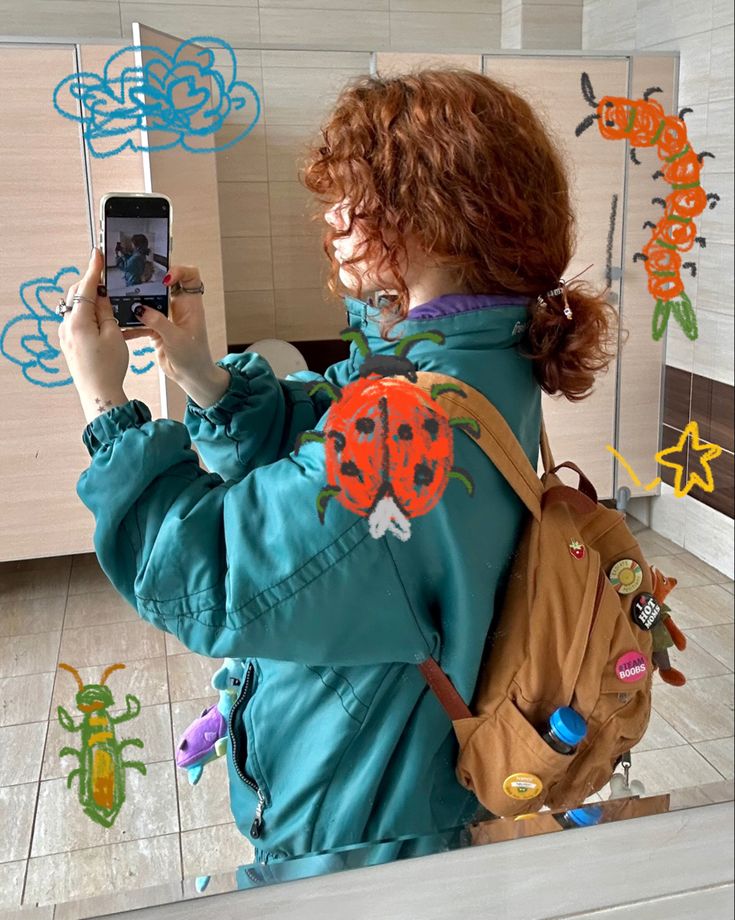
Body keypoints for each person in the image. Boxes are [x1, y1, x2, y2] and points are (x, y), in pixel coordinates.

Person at [57, 68, 617, 869]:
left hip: (357, 822)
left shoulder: (416, 414)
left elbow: (211, 571)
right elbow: (329, 427)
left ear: (429, 217)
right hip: (404, 763)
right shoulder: (479, 353)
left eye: (350, 196)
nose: (331, 219)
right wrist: (200, 373)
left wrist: (103, 402)